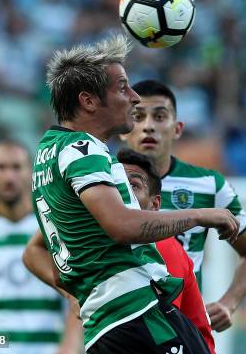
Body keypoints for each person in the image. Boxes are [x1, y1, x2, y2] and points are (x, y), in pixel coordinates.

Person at [32, 34, 238, 353]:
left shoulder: (48, 153)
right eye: (123, 88)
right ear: (88, 101)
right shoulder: (82, 149)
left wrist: (78, 293)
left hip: (105, 325)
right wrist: (200, 216)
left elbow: (48, 253)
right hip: (136, 316)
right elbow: (122, 226)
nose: (134, 98)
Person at [23, 148, 216, 353]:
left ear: (154, 204)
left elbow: (161, 327)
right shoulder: (95, 235)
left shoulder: (163, 247)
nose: (123, 194)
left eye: (133, 186)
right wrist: (74, 295)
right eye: (115, 186)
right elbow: (33, 251)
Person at [121, 80, 246, 331]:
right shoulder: (100, 180)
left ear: (177, 128)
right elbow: (41, 249)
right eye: (138, 116)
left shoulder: (208, 184)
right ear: (124, 128)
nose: (148, 126)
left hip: (184, 327)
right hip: (122, 327)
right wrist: (73, 296)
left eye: (159, 116)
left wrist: (228, 303)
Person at [0, 140, 83, 354]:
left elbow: (77, 293)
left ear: (31, 172)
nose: (9, 177)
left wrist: (68, 347)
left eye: (16, 167)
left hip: (44, 348)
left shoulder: (53, 225)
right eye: (0, 168)